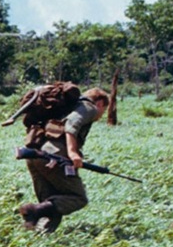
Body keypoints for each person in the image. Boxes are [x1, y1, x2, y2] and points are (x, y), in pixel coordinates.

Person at [19, 87, 110, 233]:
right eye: (104, 110)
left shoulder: (66, 107)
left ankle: (39, 236)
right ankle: (33, 210)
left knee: (52, 202)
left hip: (34, 156)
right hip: (53, 157)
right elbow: (71, 125)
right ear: (100, 103)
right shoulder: (89, 107)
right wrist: (73, 153)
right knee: (78, 197)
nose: (101, 115)